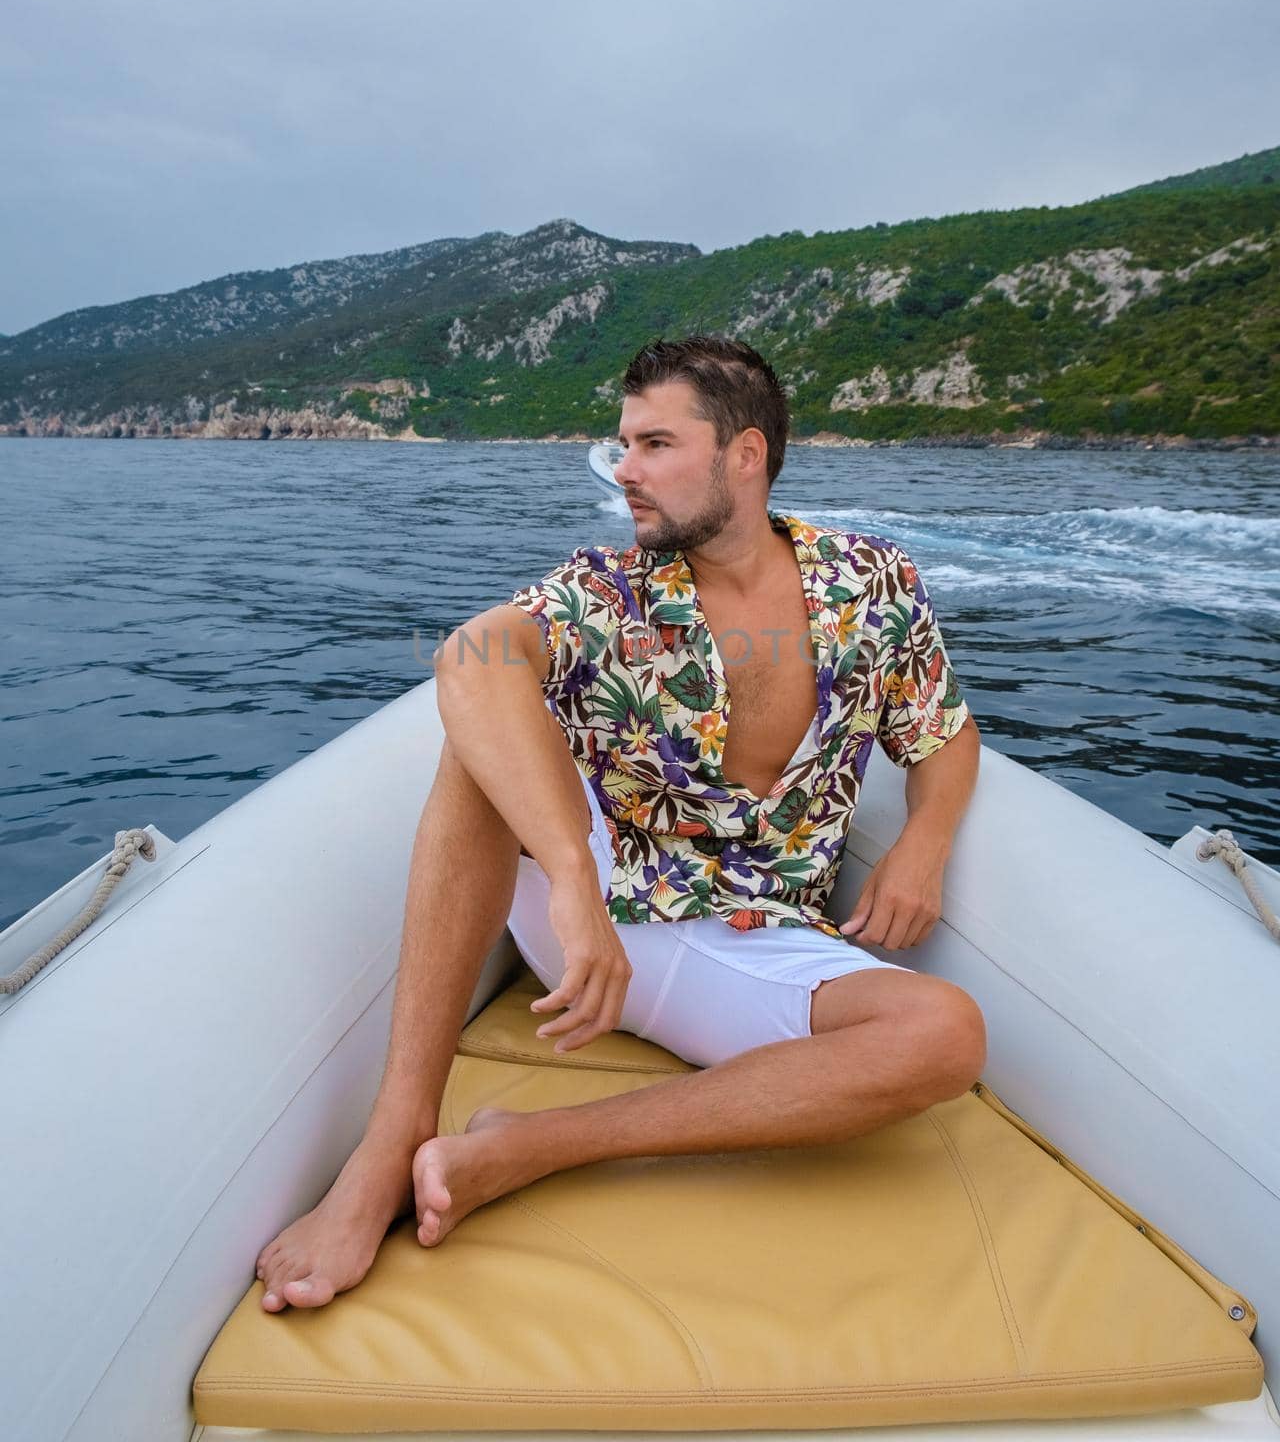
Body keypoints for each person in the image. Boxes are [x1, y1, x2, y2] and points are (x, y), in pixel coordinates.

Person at [255, 335, 985, 1314]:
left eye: (652, 444)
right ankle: (395, 1134)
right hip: (598, 910)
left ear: (744, 455)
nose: (622, 471)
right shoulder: (610, 587)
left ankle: (531, 1147)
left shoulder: (872, 583)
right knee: (475, 747)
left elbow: (941, 731)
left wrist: (922, 842)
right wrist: (568, 874)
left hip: (751, 941)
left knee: (943, 1033)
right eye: (621, 443)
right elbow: (474, 656)